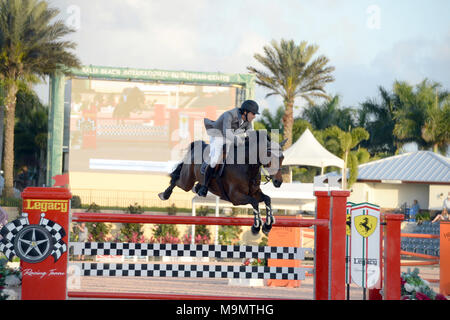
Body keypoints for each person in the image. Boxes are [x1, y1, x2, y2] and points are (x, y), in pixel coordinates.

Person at [196, 100, 259, 197]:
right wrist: (238, 140)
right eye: (253, 113)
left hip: (230, 136)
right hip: (217, 134)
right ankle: (204, 186)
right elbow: (226, 133)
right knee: (215, 159)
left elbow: (250, 133)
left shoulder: (248, 121)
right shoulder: (229, 115)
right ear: (245, 112)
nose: (254, 116)